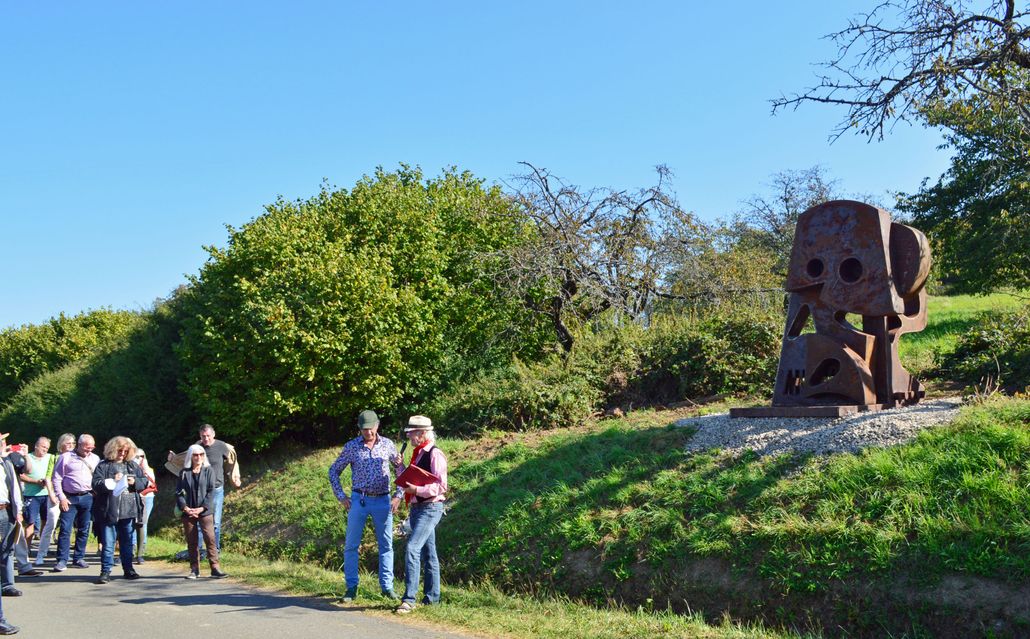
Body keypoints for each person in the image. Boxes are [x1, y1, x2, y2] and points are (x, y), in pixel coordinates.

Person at [328, 409, 404, 602]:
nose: (368, 433)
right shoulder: (352, 447)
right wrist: (341, 496)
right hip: (359, 501)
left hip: (383, 501)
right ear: (359, 429)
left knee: (386, 545)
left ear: (377, 426)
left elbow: (401, 472)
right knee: (351, 545)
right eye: (364, 430)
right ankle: (351, 588)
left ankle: (387, 587)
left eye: (371, 429)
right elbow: (333, 471)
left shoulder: (388, 445)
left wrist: (398, 495)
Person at [395, 415, 448, 615]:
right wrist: (400, 467)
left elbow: (442, 486)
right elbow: (408, 480)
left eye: (413, 433)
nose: (409, 437)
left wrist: (417, 491)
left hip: (430, 507)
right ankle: (432, 598)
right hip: (418, 508)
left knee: (412, 548)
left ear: (423, 433)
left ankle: (409, 599)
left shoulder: (435, 454)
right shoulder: (417, 454)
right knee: (429, 554)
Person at [167, 424, 240, 550]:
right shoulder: (197, 447)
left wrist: (234, 477)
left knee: (215, 523)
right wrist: (174, 458)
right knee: (199, 521)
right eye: (203, 436)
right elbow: (185, 459)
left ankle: (214, 550)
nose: (206, 439)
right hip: (199, 490)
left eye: (208, 436)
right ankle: (198, 550)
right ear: (200, 436)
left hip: (216, 489)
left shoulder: (222, 446)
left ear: (213, 434)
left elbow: (232, 462)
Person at [91, 436, 148, 584]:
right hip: (109, 509)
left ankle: (128, 570)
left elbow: (145, 481)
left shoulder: (132, 466)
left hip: (128, 509)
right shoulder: (103, 466)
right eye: (120, 450)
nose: (122, 453)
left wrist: (134, 481)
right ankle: (105, 571)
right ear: (112, 449)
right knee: (108, 543)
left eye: (125, 451)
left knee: (127, 542)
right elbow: (96, 484)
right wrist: (111, 481)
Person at [176, 444, 227, 579]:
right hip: (188, 511)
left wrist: (202, 508)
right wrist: (186, 508)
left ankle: (215, 567)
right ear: (190, 456)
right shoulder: (183, 473)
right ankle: (194, 569)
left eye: (201, 454)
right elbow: (178, 493)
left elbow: (211, 491)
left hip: (205, 511)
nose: (199, 457)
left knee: (210, 539)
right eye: (195, 455)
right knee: (192, 541)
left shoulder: (209, 470)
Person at [51, 434, 100, 572]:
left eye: (91, 448)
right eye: (86, 448)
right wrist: (61, 497)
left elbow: (99, 477)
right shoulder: (65, 457)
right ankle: (62, 560)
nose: (88, 451)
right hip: (69, 498)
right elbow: (56, 478)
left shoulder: (95, 458)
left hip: (88, 497)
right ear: (79, 445)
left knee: (84, 529)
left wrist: (96, 492)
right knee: (65, 529)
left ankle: (78, 558)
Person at [35, 434, 73, 565]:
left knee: (68, 526)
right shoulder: (54, 457)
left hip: (70, 496)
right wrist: (51, 494)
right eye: (68, 443)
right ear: (61, 444)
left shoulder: (75, 458)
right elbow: (49, 477)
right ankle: (41, 554)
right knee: (50, 524)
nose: (71, 446)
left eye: (73, 443)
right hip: (55, 495)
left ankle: (65, 555)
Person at [0, 435, 26, 597]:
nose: (3, 445)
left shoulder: (6, 463)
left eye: (2, 442)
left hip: (5, 510)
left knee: (7, 549)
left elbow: (15, 488)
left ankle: (8, 584)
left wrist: (18, 511)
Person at [21, 437, 52, 568]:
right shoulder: (27, 456)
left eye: (47, 448)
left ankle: (43, 548)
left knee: (47, 522)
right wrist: (36, 482)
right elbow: (21, 475)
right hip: (31, 494)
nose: (45, 450)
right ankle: (26, 550)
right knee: (30, 523)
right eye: (43, 447)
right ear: (36, 446)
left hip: (46, 494)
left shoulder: (51, 457)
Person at [131, 449, 156, 564]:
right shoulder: (129, 468)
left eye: (142, 456)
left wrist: (144, 469)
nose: (140, 458)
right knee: (130, 524)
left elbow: (151, 485)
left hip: (147, 498)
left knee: (142, 524)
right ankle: (130, 550)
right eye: (137, 456)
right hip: (132, 497)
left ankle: (140, 553)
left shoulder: (149, 469)